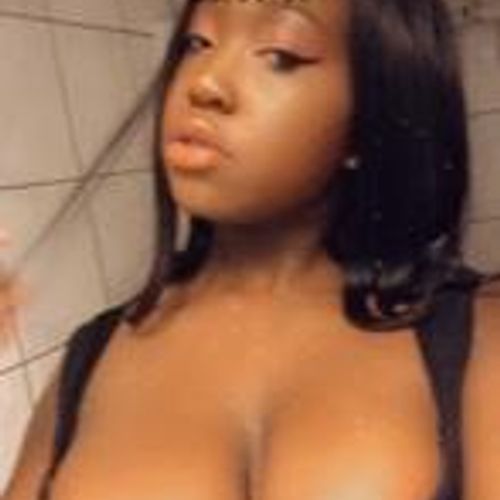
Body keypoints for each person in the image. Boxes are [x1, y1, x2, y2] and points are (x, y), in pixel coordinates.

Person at [3, 0, 500, 498]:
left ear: (372, 114)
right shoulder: (89, 360)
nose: (204, 83)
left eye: (280, 55)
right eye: (197, 43)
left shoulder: (477, 339)